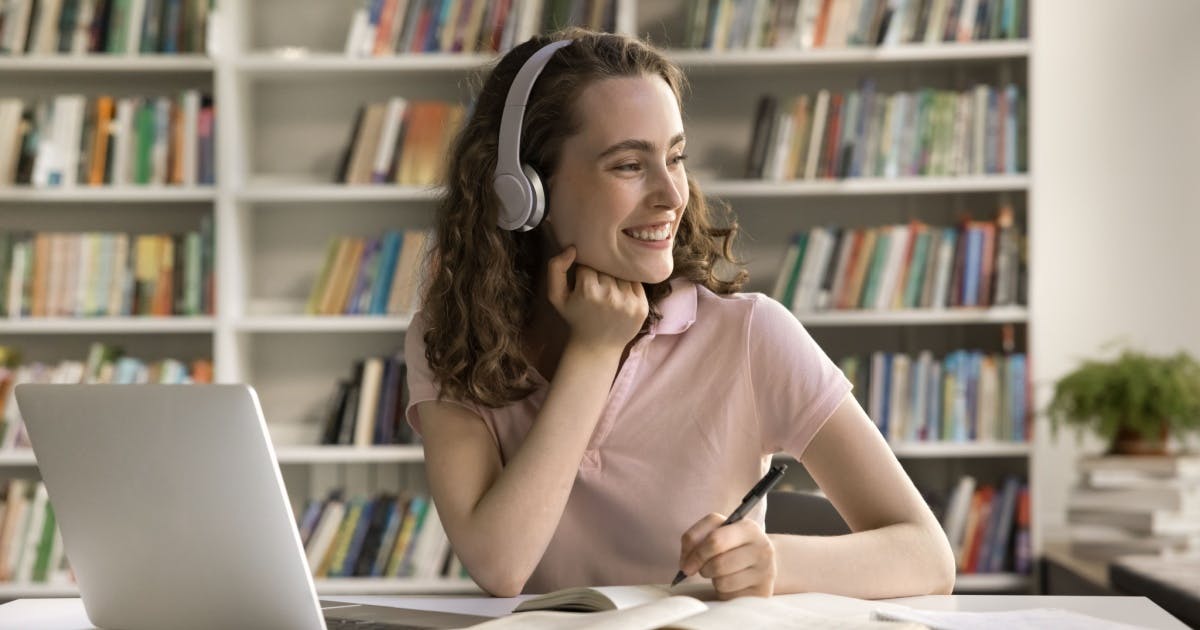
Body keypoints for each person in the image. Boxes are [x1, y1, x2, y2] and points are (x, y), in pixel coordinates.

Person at [404, 28, 956, 600]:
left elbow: (926, 554)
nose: (672, 194)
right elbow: (499, 565)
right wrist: (594, 352)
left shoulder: (749, 334)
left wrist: (775, 562)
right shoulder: (450, 337)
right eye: (628, 165)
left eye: (675, 157)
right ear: (524, 190)